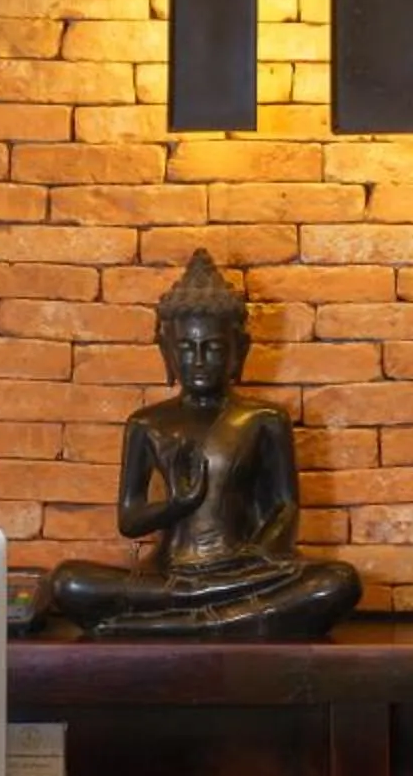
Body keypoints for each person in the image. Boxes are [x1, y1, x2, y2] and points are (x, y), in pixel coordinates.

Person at [49, 248, 361, 640]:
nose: (198, 360)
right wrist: (177, 505)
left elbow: (284, 506)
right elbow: (129, 519)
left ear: (239, 352)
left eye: (212, 347)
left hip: (242, 571)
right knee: (68, 582)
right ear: (166, 351)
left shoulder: (264, 420)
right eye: (186, 348)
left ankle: (186, 623)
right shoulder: (147, 423)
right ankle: (213, 617)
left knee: (338, 582)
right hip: (167, 576)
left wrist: (260, 554)